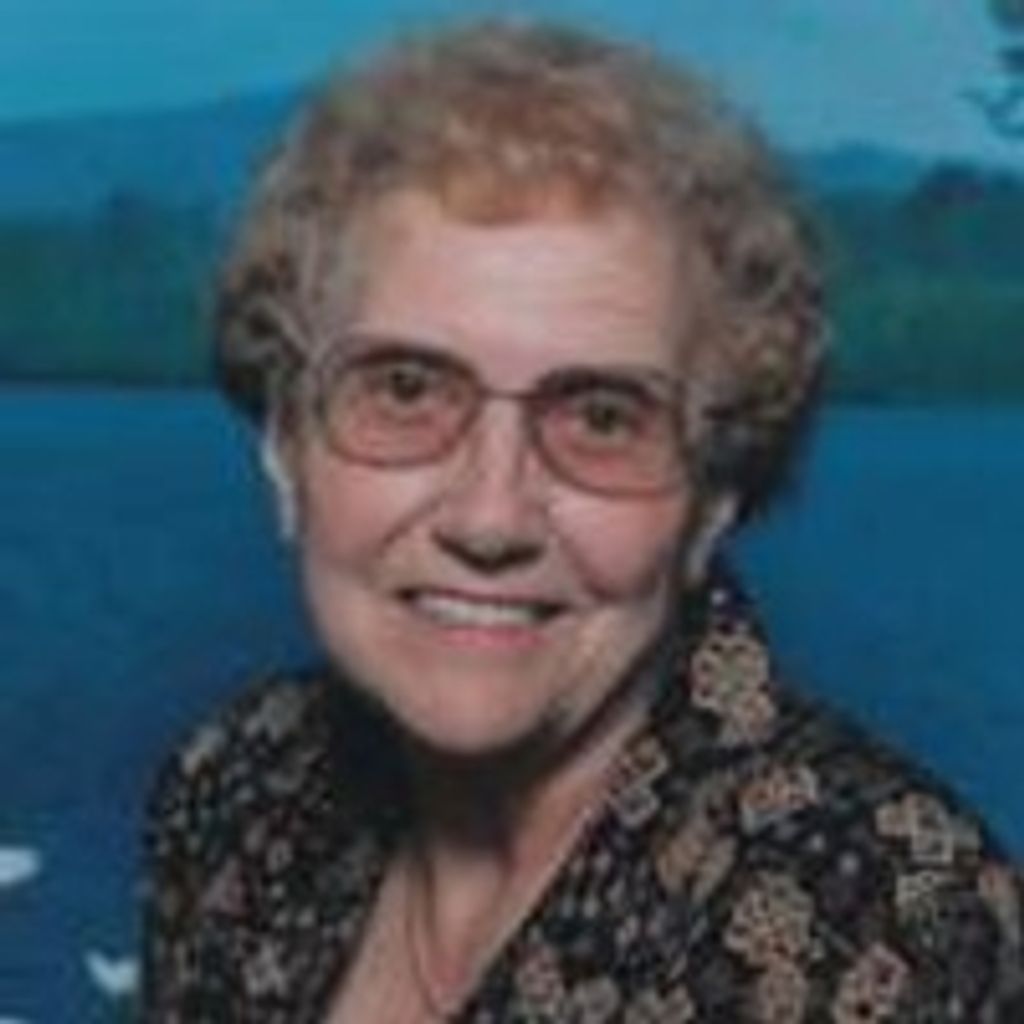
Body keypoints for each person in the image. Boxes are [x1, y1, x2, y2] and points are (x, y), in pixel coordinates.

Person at [141, 19, 1023, 1022]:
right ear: (283, 448)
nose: (489, 517)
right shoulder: (235, 792)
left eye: (602, 418)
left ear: (715, 496)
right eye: (406, 389)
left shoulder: (883, 920)